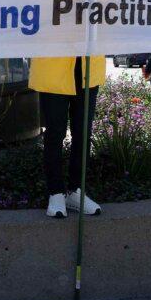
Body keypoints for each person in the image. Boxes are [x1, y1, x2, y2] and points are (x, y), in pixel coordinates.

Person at [31, 55, 104, 218]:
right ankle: (55, 192)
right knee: (55, 132)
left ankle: (76, 191)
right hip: (53, 66)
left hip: (88, 66)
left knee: (83, 132)